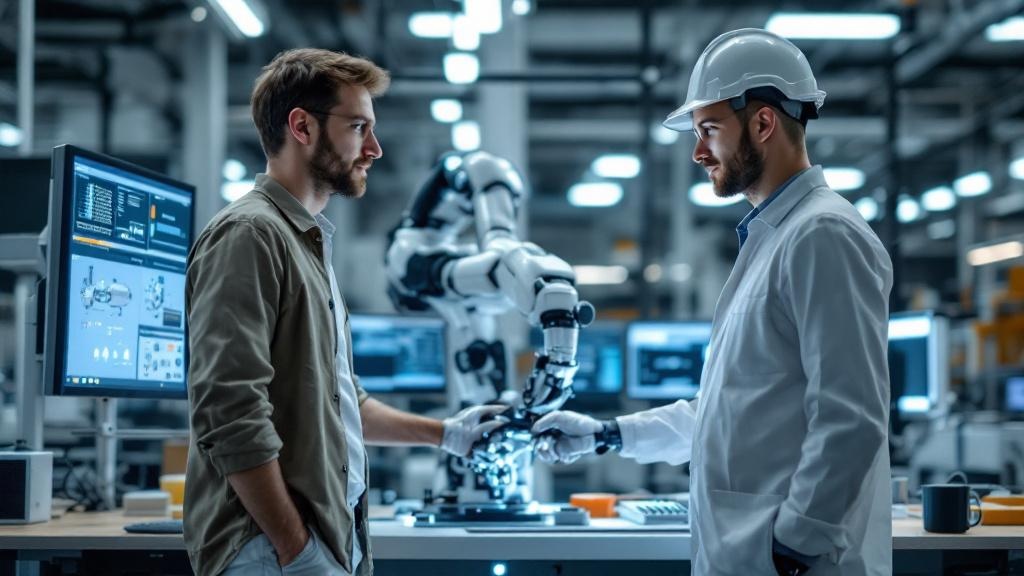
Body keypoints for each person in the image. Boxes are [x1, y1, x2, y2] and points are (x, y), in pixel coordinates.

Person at [533, 29, 893, 576]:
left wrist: (796, 543)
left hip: (786, 563)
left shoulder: (823, 234)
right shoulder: (775, 236)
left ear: (763, 122)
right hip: (747, 554)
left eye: (708, 130)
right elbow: (730, 413)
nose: (699, 152)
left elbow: (851, 415)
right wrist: (608, 434)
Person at [184, 48, 504, 576]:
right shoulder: (250, 235)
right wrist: (296, 549)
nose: (375, 148)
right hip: (267, 552)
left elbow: (339, 404)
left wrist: (448, 434)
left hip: (325, 539)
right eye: (359, 127)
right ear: (302, 126)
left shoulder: (305, 241)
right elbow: (230, 410)